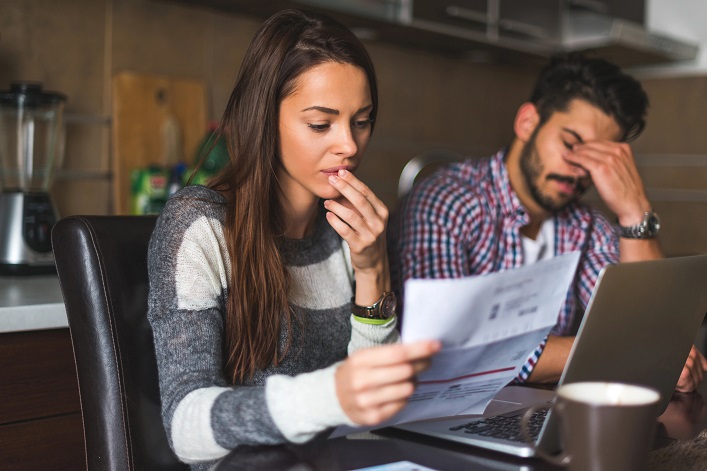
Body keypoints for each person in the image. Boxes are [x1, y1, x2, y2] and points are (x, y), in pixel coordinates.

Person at [147, 9, 440, 467]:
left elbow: (372, 421)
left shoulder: (351, 230)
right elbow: (185, 426)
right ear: (265, 119)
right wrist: (331, 395)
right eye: (321, 124)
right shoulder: (201, 225)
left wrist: (371, 270)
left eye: (361, 121)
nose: (349, 144)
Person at [391, 53, 706, 393]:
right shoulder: (444, 201)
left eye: (599, 157)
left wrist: (634, 211)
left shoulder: (587, 226)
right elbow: (445, 351)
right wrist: (625, 354)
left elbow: (654, 331)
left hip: (539, 420)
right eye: (571, 144)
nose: (581, 168)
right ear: (528, 122)